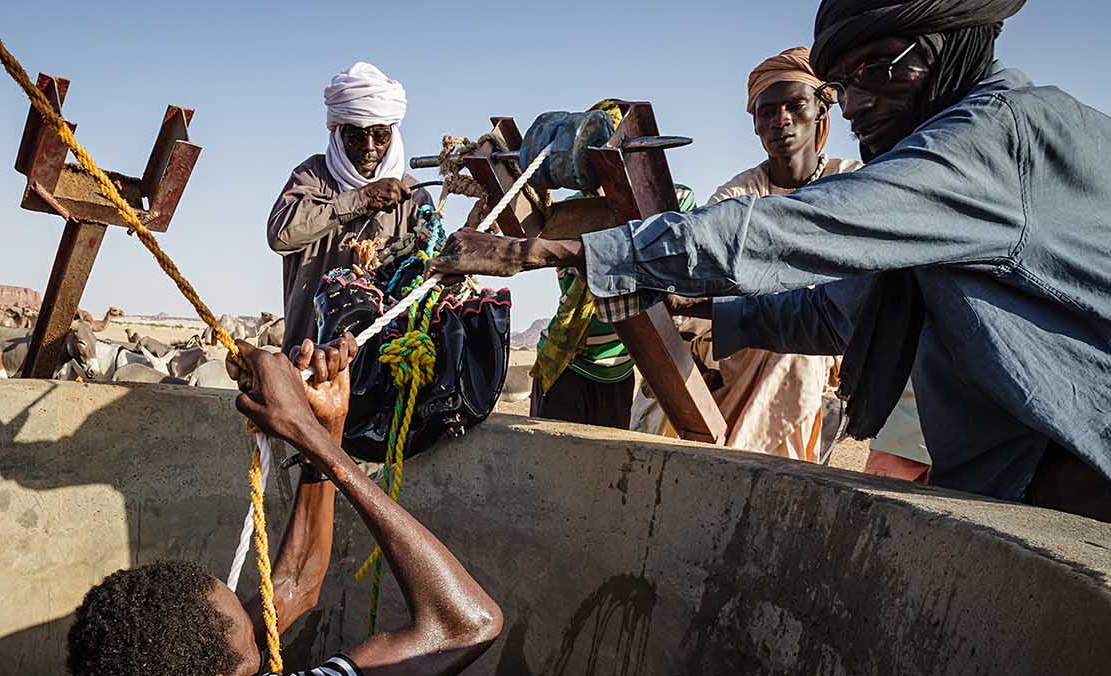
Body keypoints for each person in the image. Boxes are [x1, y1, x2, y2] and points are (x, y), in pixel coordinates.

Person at [429, 0, 1111, 520]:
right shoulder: (935, 174)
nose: (858, 106)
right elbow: (837, 311)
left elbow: (788, 230)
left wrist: (544, 250)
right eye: (846, 83)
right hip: (1008, 480)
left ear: (948, 48)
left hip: (1078, 478)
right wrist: (707, 315)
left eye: (876, 72)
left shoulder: (991, 138)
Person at [67, 335, 502, 676]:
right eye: (252, 647)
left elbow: (293, 586)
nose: (260, 624)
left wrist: (325, 427)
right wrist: (311, 440)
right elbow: (469, 625)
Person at [695, 47, 865, 461]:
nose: (781, 120)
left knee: (798, 349)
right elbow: (702, 260)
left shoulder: (854, 184)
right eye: (767, 111)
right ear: (754, 124)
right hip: (740, 344)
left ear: (821, 111)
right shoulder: (736, 196)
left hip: (830, 345)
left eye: (795, 105)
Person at [268, 62, 432, 350]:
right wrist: (360, 199)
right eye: (357, 135)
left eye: (380, 135)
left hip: (384, 358)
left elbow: (430, 269)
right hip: (309, 353)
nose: (369, 147)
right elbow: (281, 235)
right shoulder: (313, 176)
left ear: (392, 135)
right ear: (340, 134)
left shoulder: (413, 198)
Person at [533, 185, 698, 429]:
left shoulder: (665, 200)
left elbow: (684, 208)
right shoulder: (569, 212)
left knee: (606, 461)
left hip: (618, 370)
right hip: (567, 365)